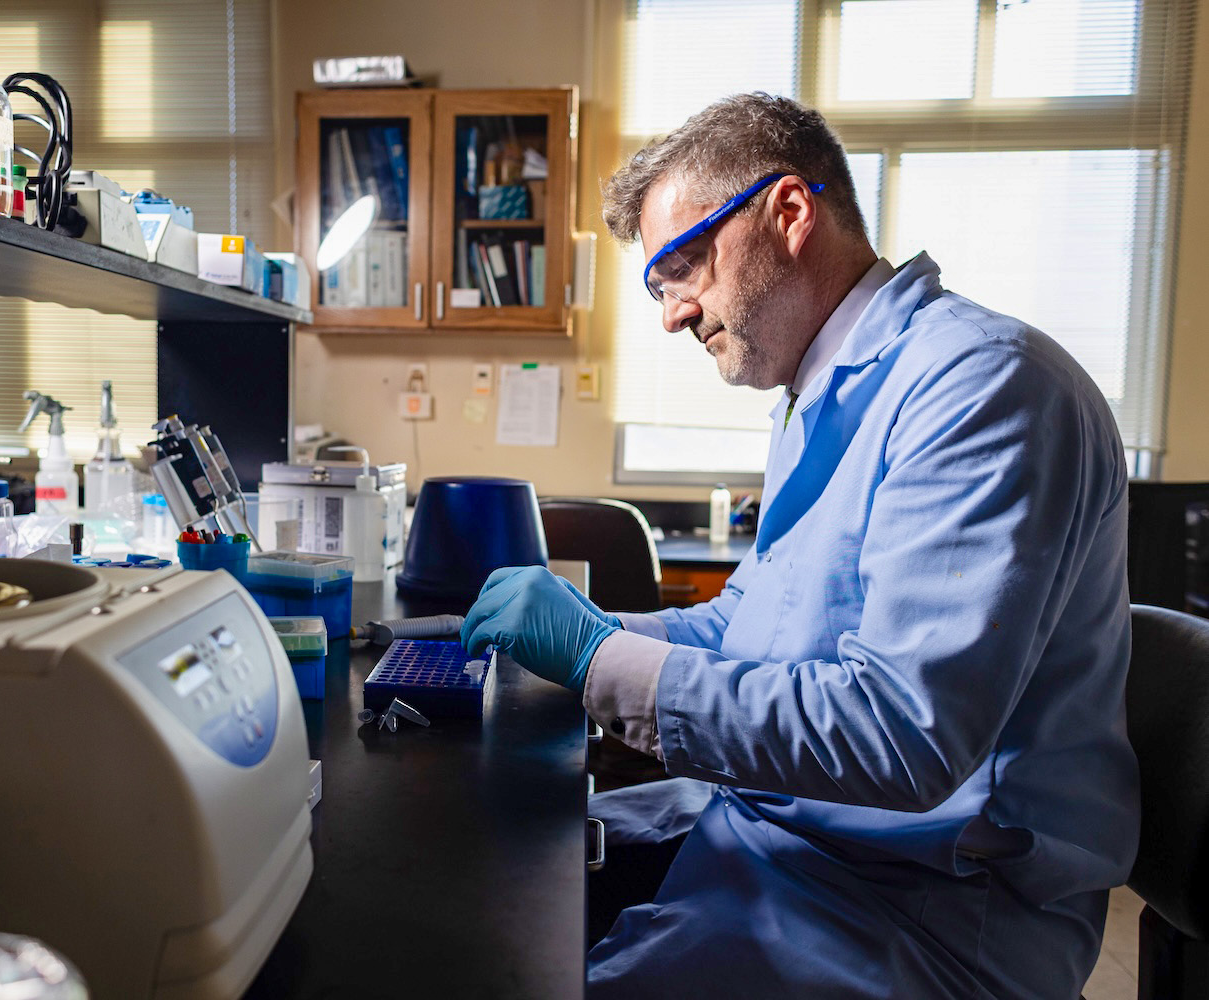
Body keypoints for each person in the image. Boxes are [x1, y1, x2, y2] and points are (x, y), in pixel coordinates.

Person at [461, 93, 1138, 999]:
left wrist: (598, 661)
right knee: (485, 868)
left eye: (684, 264)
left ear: (787, 214)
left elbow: (903, 735)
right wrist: (592, 633)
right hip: (797, 843)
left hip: (920, 914)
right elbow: (752, 620)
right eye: (657, 285)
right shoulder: (825, 394)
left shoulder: (981, 390)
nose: (670, 315)